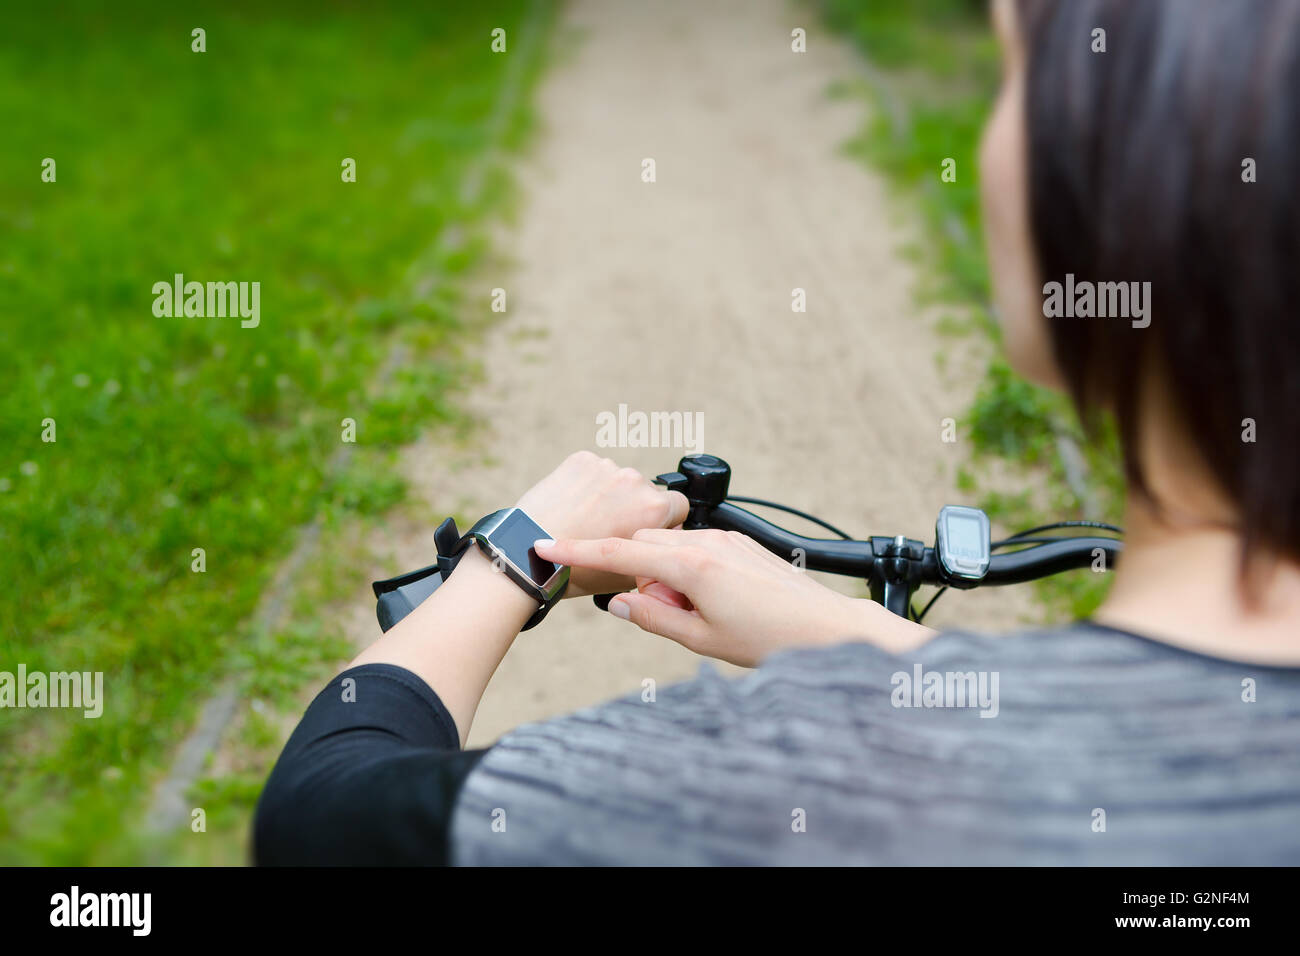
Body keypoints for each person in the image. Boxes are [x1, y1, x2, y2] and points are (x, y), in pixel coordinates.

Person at [253, 0, 1300, 865]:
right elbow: (1124, 735)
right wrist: (847, 633)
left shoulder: (784, 782)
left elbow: (318, 818)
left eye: (1012, 71)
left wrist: (506, 556)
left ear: (1116, 170)